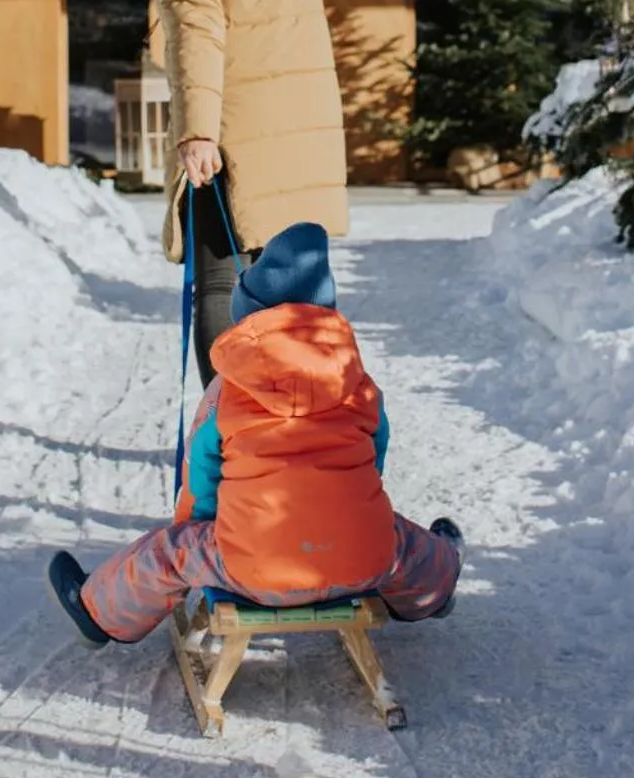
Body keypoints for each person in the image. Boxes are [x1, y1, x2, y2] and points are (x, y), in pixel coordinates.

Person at [47, 222, 463, 646]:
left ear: (248, 318)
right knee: (398, 539)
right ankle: (433, 590)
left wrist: (200, 525)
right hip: (360, 566)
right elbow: (375, 456)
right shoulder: (358, 384)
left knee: (170, 552)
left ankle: (97, 612)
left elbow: (202, 476)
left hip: (254, 570)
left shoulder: (225, 394)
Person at [103, 0, 348, 384]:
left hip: (235, 121)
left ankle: (231, 442)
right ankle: (313, 449)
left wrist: (198, 131)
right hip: (296, 118)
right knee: (298, 293)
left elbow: (198, 23)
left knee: (218, 286)